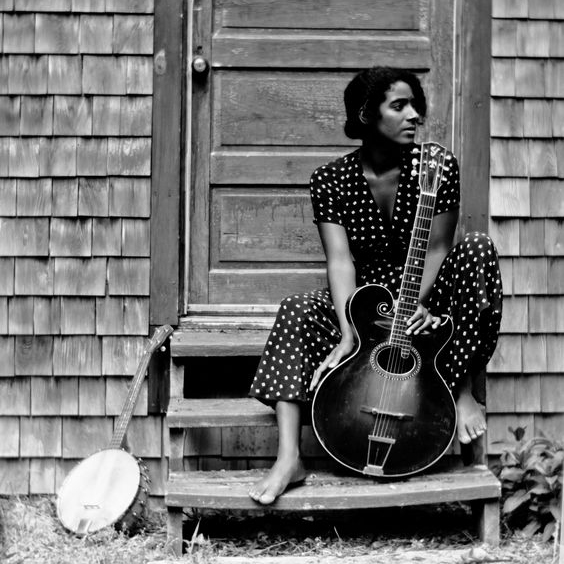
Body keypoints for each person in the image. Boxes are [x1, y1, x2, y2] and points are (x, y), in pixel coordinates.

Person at [247, 66, 503, 505]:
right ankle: (289, 456)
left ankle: (459, 391)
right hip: (364, 308)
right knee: (296, 307)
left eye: (415, 105)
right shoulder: (329, 180)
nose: (414, 116)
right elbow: (340, 260)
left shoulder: (437, 167)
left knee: (478, 248)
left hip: (425, 299)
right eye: (399, 106)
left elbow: (439, 248)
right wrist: (349, 332)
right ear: (368, 114)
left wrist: (410, 306)